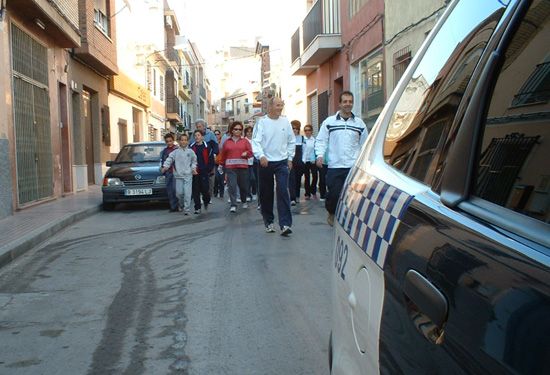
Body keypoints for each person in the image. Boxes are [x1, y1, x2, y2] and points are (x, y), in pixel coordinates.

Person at [315, 91, 368, 226]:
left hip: (353, 166)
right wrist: (319, 155)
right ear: (339, 103)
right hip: (335, 166)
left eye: (350, 101)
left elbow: (365, 144)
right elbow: (321, 140)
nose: (347, 104)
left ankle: (349, 220)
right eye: (345, 101)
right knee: (334, 193)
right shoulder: (329, 122)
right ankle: (332, 212)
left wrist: (364, 162)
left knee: (353, 196)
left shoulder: (359, 123)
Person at [251, 97, 295, 236]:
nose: (279, 108)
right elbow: (256, 142)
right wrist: (261, 156)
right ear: (269, 106)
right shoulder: (262, 122)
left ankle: (285, 224)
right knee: (266, 193)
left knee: (282, 190)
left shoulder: (285, 121)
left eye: (281, 105)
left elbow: (291, 141)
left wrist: (290, 158)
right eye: (277, 105)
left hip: (282, 161)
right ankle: (269, 221)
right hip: (266, 162)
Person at [219, 121, 253, 213]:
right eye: (236, 129)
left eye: (240, 129)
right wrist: (221, 165)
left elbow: (251, 152)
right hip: (230, 168)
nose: (238, 131)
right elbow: (223, 155)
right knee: (232, 186)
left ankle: (244, 200)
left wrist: (246, 153)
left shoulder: (245, 141)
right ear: (232, 130)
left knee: (243, 186)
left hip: (243, 167)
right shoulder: (227, 142)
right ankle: (233, 204)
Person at [161, 133, 197, 215]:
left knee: (187, 193)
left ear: (187, 141)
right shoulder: (175, 152)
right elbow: (169, 159)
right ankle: (181, 204)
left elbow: (194, 161)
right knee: (179, 193)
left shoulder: (190, 152)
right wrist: (165, 167)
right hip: (178, 176)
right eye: (182, 140)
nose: (183, 142)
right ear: (179, 141)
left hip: (188, 176)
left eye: (185, 140)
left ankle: (187, 209)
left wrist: (193, 168)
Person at [190, 130, 215, 214]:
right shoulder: (191, 147)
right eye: (195, 135)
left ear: (202, 137)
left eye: (198, 135)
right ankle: (197, 207)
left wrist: (209, 168)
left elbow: (211, 158)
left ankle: (206, 201)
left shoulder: (207, 147)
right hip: (194, 171)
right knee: (195, 190)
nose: (197, 137)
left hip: (204, 171)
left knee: (205, 189)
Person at [160, 133, 179, 212]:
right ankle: (173, 206)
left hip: (176, 172)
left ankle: (179, 205)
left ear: (173, 140)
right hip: (168, 173)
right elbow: (162, 161)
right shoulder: (164, 151)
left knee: (175, 190)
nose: (169, 143)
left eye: (170, 141)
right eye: (167, 141)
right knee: (170, 190)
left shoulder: (177, 150)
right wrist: (162, 169)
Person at [288, 120, 304, 205]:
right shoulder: (288, 138)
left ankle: (297, 195)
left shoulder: (302, 138)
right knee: (291, 180)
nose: (294, 130)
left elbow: (305, 150)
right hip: (291, 162)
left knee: (298, 180)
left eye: (296, 128)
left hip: (299, 162)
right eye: (293, 128)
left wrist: (303, 161)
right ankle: (292, 198)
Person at [302, 124, 318, 200]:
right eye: (305, 130)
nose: (307, 132)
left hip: (312, 160)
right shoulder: (302, 140)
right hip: (305, 161)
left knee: (315, 176)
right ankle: (307, 194)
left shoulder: (314, 140)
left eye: (309, 130)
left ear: (311, 131)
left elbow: (315, 150)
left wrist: (315, 159)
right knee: (307, 177)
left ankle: (313, 190)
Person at [244, 126, 258, 201]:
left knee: (253, 178)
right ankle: (248, 195)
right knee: (247, 179)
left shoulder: (255, 140)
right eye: (248, 132)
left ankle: (254, 192)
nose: (249, 133)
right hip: (246, 162)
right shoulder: (243, 140)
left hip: (254, 162)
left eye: (251, 132)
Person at [213, 130, 225, 198]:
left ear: (220, 135)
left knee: (221, 179)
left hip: (221, 163)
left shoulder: (223, 143)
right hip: (214, 163)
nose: (216, 135)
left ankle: (221, 193)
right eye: (215, 134)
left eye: (217, 134)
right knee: (216, 178)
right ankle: (215, 192)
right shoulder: (213, 143)